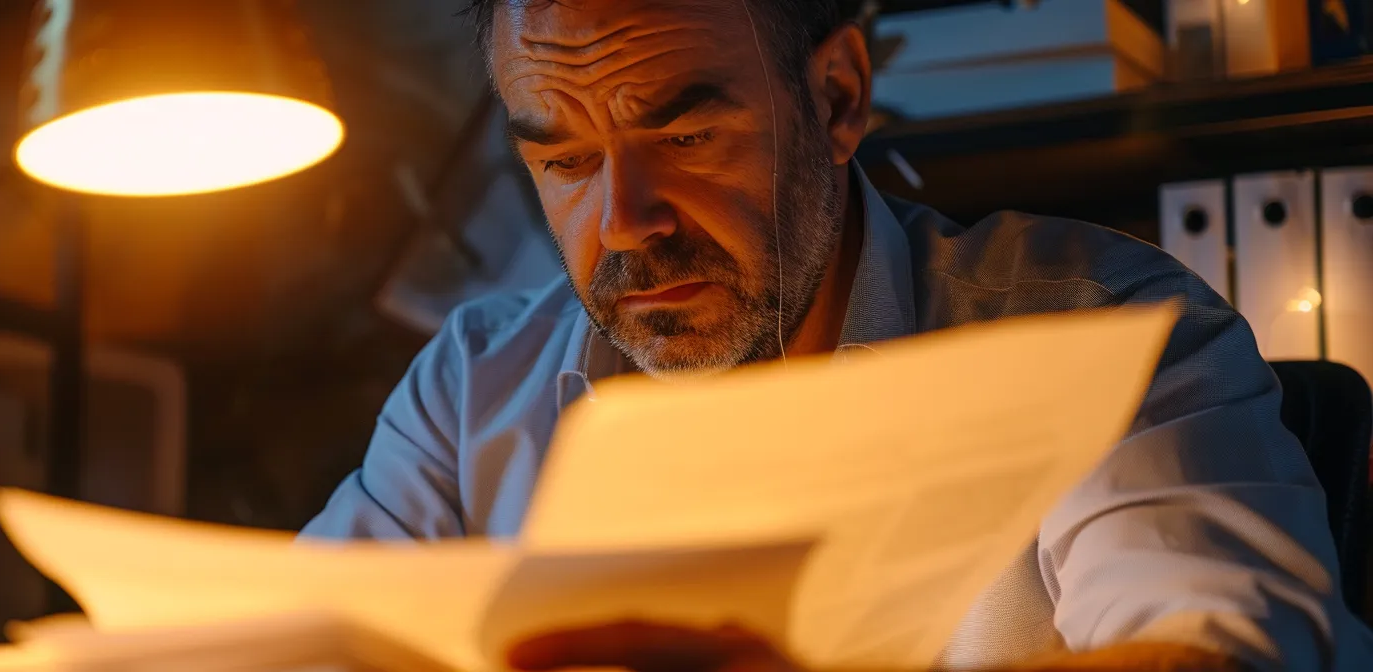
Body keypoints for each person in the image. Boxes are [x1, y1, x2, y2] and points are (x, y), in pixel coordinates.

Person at [305, 0, 1373, 669]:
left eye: (685, 134)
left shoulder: (1107, 335)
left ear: (835, 97)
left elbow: (1219, 648)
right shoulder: (471, 389)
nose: (624, 223)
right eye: (565, 162)